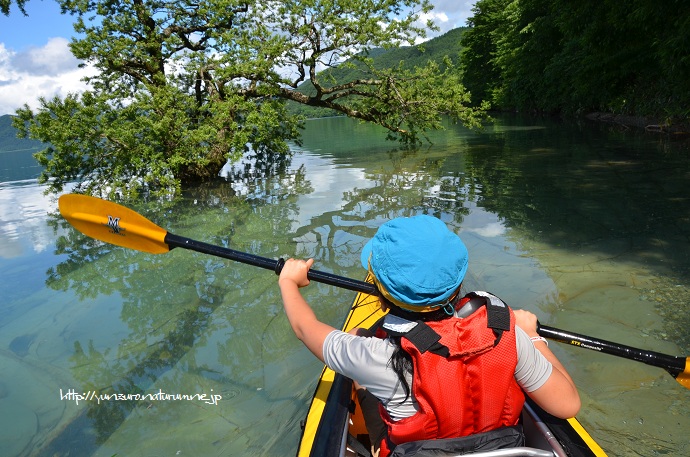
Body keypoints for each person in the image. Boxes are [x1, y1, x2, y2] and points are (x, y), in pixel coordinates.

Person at [278, 215, 580, 456]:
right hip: (502, 446)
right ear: (457, 281)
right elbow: (567, 405)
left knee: (357, 343)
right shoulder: (505, 331)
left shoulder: (375, 354)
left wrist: (289, 282)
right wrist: (533, 337)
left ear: (380, 291)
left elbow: (305, 328)